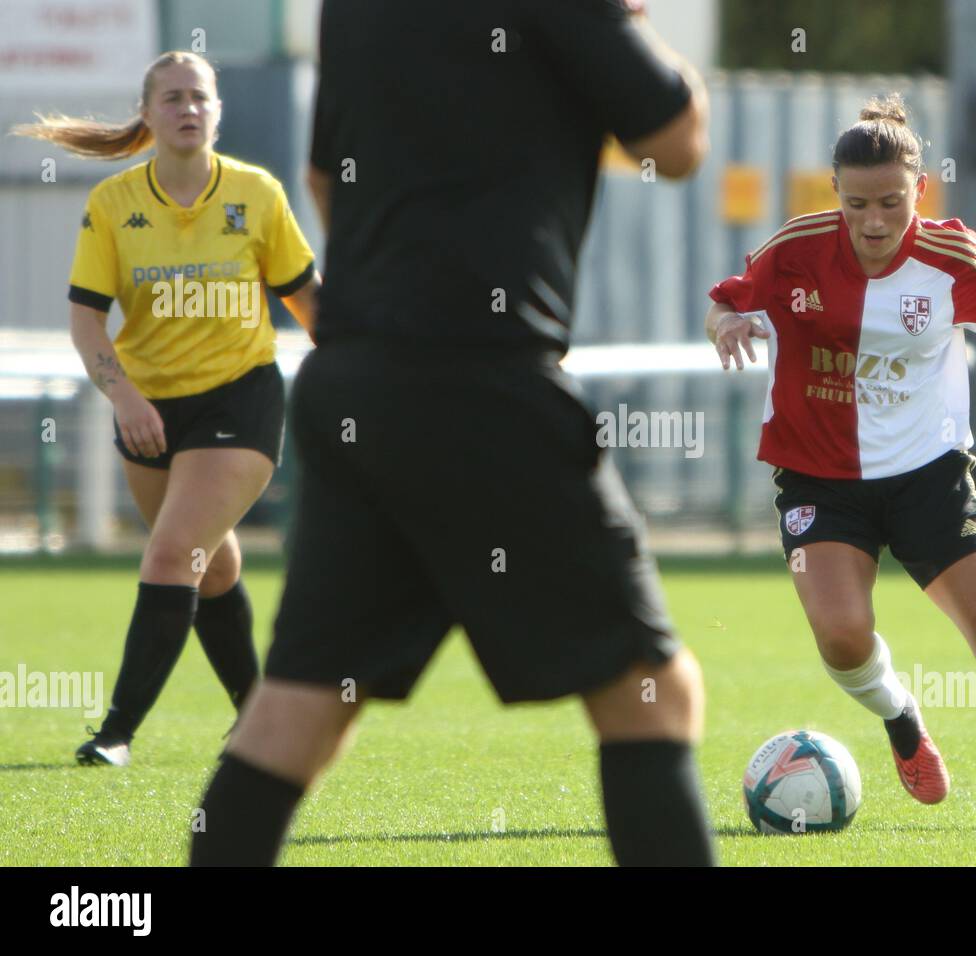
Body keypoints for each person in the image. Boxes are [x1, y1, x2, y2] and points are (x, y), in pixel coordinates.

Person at [190, 0, 715, 866]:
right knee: (653, 697)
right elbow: (677, 143)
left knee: (298, 711)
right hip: (486, 387)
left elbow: (328, 180)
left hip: (356, 380)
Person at [705, 94, 976, 829]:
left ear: (920, 190)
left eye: (890, 202)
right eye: (855, 204)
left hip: (927, 475)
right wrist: (727, 325)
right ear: (835, 194)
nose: (873, 221)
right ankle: (902, 717)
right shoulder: (796, 248)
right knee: (843, 637)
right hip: (819, 477)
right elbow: (724, 300)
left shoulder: (952, 255)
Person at [13, 51, 320, 767]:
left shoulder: (258, 194)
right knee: (207, 568)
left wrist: (375, 364)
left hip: (240, 397)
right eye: (173, 98)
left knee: (170, 552)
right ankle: (259, 719)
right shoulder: (115, 203)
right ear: (147, 113)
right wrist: (123, 396)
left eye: (201, 98)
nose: (189, 109)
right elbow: (86, 319)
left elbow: (309, 301)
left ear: (218, 112)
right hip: (148, 408)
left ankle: (116, 732)